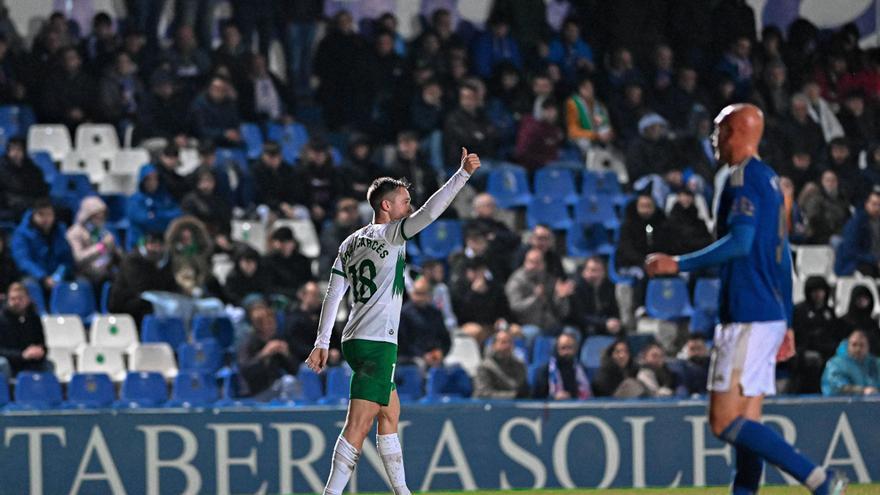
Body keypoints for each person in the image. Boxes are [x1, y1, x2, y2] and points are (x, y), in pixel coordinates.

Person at [646, 103, 847, 495]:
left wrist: (678, 264)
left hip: (747, 313)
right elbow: (782, 255)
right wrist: (786, 321)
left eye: (719, 129)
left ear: (736, 133)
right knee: (746, 425)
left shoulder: (739, 178)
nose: (713, 138)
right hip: (768, 313)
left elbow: (741, 242)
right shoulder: (771, 180)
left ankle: (820, 480)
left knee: (724, 423)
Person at [306, 148, 481, 495]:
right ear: (386, 206)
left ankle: (403, 492)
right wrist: (461, 175)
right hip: (377, 341)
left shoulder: (349, 243)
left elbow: (333, 295)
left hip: (354, 338)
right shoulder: (392, 234)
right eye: (403, 201)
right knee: (358, 426)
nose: (408, 207)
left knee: (389, 415)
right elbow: (432, 211)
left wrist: (322, 342)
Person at [237, 297, 299, 401]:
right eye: (268, 323)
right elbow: (245, 369)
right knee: (288, 382)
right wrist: (264, 354)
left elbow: (294, 370)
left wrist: (287, 354)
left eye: (273, 322)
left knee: (290, 381)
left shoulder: (276, 340)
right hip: (255, 392)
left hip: (272, 389)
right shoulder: (249, 342)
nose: (272, 326)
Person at [792, 276, 847, 393]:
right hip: (804, 358)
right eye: (814, 291)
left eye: (821, 291)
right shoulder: (799, 311)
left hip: (827, 356)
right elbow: (797, 337)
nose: (818, 295)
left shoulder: (829, 312)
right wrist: (803, 353)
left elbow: (835, 335)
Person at [108, 232, 176, 324]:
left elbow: (171, 286)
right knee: (147, 307)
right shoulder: (132, 260)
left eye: (159, 245)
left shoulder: (166, 261)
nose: (155, 248)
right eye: (152, 244)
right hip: (125, 302)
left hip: (153, 299)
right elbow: (140, 287)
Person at [504, 248, 573, 340]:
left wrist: (561, 297)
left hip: (551, 325)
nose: (533, 266)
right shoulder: (516, 281)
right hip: (526, 325)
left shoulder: (549, 279)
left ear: (543, 264)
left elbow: (563, 313)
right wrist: (535, 298)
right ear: (525, 262)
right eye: (530, 262)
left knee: (571, 333)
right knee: (534, 333)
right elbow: (515, 308)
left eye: (537, 262)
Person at [11, 199, 74, 295]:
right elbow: (23, 261)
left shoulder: (60, 232)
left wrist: (58, 276)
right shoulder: (21, 234)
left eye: (49, 214)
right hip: (34, 277)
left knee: (79, 283)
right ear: (33, 215)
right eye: (41, 214)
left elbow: (67, 259)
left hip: (57, 278)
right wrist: (43, 277)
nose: (46, 219)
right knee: (29, 285)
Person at [65, 196, 120, 289]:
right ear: (87, 215)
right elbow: (79, 259)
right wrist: (101, 247)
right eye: (96, 215)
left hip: (104, 272)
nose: (100, 218)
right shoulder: (75, 232)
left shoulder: (103, 232)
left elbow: (114, 256)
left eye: (102, 215)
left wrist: (114, 247)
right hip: (84, 274)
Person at [397, 277, 451, 364]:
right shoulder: (404, 314)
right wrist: (423, 355)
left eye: (422, 294)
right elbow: (404, 343)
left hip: (436, 358)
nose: (419, 298)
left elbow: (445, 338)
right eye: (417, 293)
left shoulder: (436, 313)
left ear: (429, 295)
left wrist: (441, 352)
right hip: (412, 359)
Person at [0, 282, 49, 379]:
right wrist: (22, 355)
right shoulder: (1, 320)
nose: (16, 302)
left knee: (48, 365)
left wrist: (40, 351)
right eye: (13, 299)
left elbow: (42, 343)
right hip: (10, 360)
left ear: (27, 299)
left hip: (29, 361)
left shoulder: (34, 319)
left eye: (20, 298)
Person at [127, 164, 182, 249]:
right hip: (139, 244)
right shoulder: (135, 199)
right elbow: (144, 220)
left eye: (155, 178)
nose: (152, 182)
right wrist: (163, 218)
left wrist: (157, 215)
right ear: (142, 180)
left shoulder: (165, 197)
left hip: (163, 242)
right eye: (148, 179)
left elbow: (178, 214)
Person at [568, 256, 621, 336]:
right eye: (592, 270)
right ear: (584, 272)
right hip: (582, 325)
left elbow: (614, 309)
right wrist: (604, 323)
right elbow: (579, 316)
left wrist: (615, 321)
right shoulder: (577, 287)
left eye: (598, 271)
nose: (594, 274)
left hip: (603, 324)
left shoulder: (608, 286)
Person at [0, 137, 49, 222]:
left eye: (18, 149)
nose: (15, 153)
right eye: (12, 149)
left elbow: (40, 187)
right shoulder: (2, 167)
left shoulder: (31, 168)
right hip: (9, 201)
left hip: (30, 200)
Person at [834, 187, 880, 277]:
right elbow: (850, 251)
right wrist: (874, 260)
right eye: (874, 204)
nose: (877, 208)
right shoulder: (856, 223)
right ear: (866, 204)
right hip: (855, 264)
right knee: (868, 270)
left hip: (874, 262)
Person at [532, 333, 591, 400]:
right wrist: (554, 397)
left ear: (576, 349)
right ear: (557, 349)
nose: (566, 352)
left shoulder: (582, 370)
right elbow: (537, 398)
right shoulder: (546, 370)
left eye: (570, 348)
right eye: (563, 348)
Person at [821, 329, 879, 396]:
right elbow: (838, 386)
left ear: (868, 347)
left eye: (862, 345)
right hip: (841, 404)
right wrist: (863, 390)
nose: (858, 349)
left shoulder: (874, 363)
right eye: (854, 345)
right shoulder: (835, 364)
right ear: (848, 345)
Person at [473, 329, 529, 399]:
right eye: (503, 342)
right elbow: (483, 394)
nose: (507, 346)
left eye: (510, 342)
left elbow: (525, 391)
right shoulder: (484, 367)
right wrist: (513, 395)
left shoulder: (519, 366)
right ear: (494, 345)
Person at [513, 97, 564, 171]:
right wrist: (543, 162)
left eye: (552, 110)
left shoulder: (556, 131)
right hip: (532, 169)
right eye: (547, 110)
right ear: (542, 111)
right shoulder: (533, 129)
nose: (550, 113)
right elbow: (521, 152)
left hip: (552, 168)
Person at [265, 226, 313, 300]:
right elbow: (270, 286)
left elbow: (308, 279)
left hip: (301, 294)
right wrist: (293, 293)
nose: (285, 246)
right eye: (282, 243)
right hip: (279, 295)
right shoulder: (270, 261)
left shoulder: (302, 260)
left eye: (287, 242)